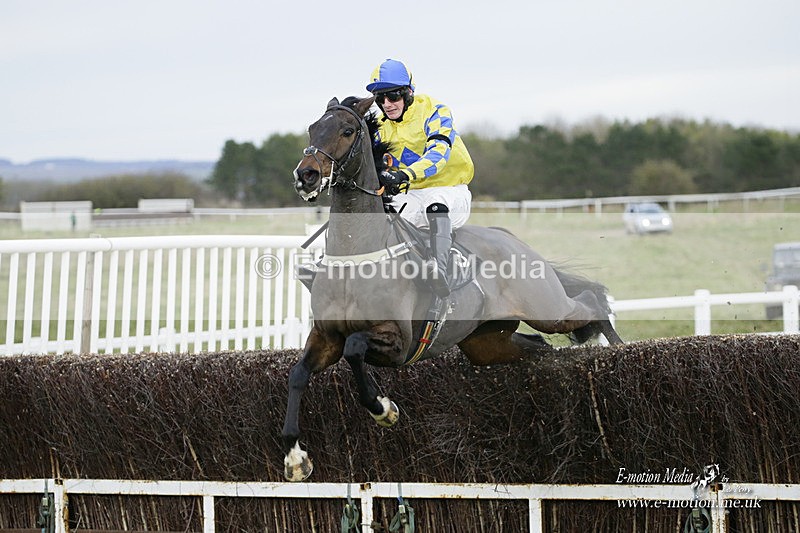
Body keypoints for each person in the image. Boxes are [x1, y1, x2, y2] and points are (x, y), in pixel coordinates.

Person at [367, 59, 474, 298]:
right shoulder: (381, 126)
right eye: (380, 98)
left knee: (435, 204)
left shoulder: (435, 110)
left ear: (408, 92)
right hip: (412, 194)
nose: (387, 104)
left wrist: (405, 174)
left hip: (450, 188)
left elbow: (438, 155)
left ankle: (440, 269)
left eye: (393, 95)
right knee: (380, 218)